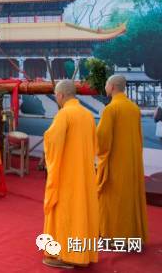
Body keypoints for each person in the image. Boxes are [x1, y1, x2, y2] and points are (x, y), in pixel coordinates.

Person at [42, 80, 98, 268]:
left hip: (67, 175)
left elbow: (52, 141)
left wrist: (47, 140)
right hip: (84, 174)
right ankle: (83, 254)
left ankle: (63, 256)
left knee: (65, 214)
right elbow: (94, 145)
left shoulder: (64, 114)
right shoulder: (88, 115)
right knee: (81, 213)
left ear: (60, 95)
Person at [96, 75, 148, 242]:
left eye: (106, 83)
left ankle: (112, 237)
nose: (105, 86)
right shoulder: (134, 108)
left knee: (112, 200)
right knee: (129, 199)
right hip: (131, 162)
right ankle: (131, 236)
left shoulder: (111, 109)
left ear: (111, 87)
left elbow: (102, 141)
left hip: (115, 163)